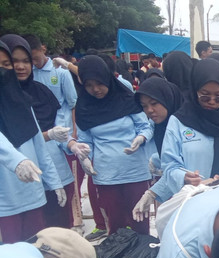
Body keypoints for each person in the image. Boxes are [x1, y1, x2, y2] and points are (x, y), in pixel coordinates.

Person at [67, 55, 153, 236]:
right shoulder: (84, 107)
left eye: (99, 83)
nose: (95, 89)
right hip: (105, 174)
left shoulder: (127, 99)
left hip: (135, 171)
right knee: (114, 225)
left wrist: (141, 138)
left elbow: (145, 126)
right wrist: (85, 158)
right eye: (89, 85)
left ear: (107, 78)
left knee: (140, 221)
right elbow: (85, 141)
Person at [1, 34, 74, 229]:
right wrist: (18, 161)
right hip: (7, 199)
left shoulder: (25, 101)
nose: (19, 67)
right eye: (11, 63)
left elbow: (39, 148)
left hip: (34, 192)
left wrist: (55, 182)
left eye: (26, 61)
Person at [161, 58, 219, 197]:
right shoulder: (178, 122)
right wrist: (184, 176)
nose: (212, 102)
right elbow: (169, 164)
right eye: (205, 96)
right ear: (195, 91)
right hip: (189, 199)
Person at [131, 76, 184, 220]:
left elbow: (184, 170)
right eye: (144, 106)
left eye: (154, 103)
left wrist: (152, 193)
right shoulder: (161, 127)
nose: (149, 110)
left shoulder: (185, 127)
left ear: (167, 99)